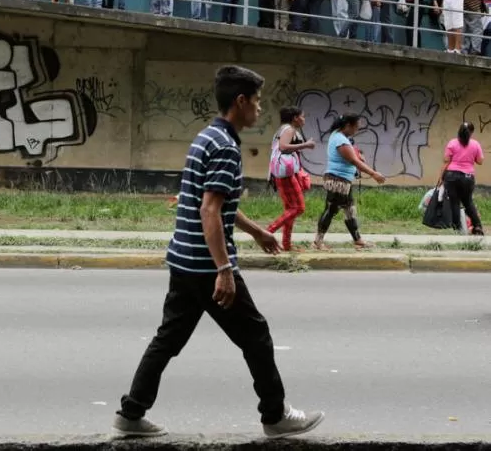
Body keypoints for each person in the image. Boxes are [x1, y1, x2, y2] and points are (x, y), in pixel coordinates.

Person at [113, 65, 324, 440]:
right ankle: (275, 415)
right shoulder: (226, 147)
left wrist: (257, 231)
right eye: (256, 102)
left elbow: (217, 202)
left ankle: (131, 414)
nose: (259, 109)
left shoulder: (206, 137)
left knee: (169, 339)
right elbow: (209, 210)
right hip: (206, 266)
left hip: (183, 259)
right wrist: (224, 269)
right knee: (255, 335)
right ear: (239, 102)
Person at [312, 114, 385, 251]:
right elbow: (353, 160)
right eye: (356, 127)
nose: (357, 130)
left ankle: (358, 240)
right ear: (348, 126)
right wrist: (374, 174)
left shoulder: (338, 135)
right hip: (337, 180)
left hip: (343, 180)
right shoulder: (340, 140)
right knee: (331, 209)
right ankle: (317, 241)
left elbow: (351, 156)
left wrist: (357, 155)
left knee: (350, 210)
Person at [266, 107, 315, 251]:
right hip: (286, 174)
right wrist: (306, 145)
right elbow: (283, 147)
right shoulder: (289, 129)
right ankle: (267, 232)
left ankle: (286, 244)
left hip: (282, 173)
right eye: (303, 116)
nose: (304, 119)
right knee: (298, 208)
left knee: (290, 209)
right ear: (295, 118)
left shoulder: (282, 129)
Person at [439, 122, 484, 236]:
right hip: (468, 177)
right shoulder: (475, 144)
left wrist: (441, 177)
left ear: (459, 131)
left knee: (454, 202)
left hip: (452, 176)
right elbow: (480, 161)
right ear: (471, 132)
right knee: (468, 202)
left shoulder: (452, 143)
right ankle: (477, 226)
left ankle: (457, 229)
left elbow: (446, 161)